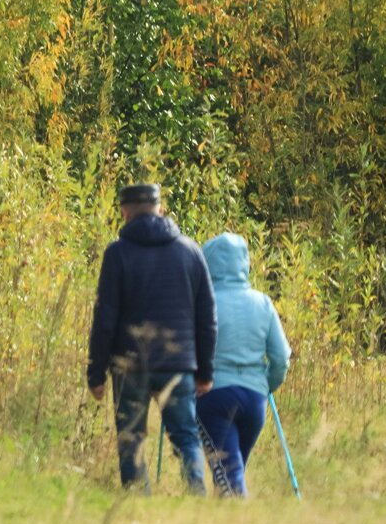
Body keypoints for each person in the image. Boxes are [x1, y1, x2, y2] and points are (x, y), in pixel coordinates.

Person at [87, 183, 217, 495]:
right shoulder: (190, 251)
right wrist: (205, 371)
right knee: (185, 435)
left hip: (129, 363)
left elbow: (105, 318)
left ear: (124, 211)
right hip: (179, 363)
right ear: (161, 209)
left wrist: (96, 372)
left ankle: (137, 500)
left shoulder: (117, 254)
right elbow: (207, 318)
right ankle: (196, 495)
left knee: (131, 437)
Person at [195, 232, 291, 498]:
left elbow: (186, 352)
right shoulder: (263, 303)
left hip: (213, 398)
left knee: (229, 476)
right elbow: (281, 357)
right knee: (230, 471)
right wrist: (266, 386)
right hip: (254, 402)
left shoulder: (203, 304)